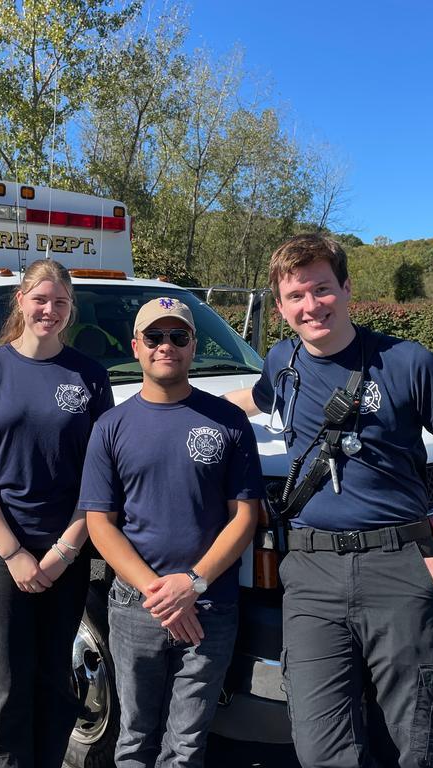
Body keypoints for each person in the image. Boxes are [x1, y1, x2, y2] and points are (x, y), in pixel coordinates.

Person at [224, 234, 433, 768]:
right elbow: (248, 403)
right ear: (279, 308)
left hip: (397, 568)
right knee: (321, 745)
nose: (311, 306)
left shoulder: (409, 363)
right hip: (309, 573)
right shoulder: (281, 361)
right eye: (296, 296)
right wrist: (168, 405)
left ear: (347, 289)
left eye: (322, 289)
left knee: (413, 742)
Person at [79, 297, 261, 768]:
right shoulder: (111, 426)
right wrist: (159, 593)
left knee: (186, 747)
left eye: (178, 337)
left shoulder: (227, 421)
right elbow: (100, 523)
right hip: (136, 605)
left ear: (193, 346)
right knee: (134, 740)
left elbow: (244, 516)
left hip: (210, 604)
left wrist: (192, 583)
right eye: (155, 337)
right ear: (137, 347)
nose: (167, 346)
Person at [0, 259, 114, 768]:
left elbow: (100, 478)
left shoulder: (89, 375)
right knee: (4, 682)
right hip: (2, 551)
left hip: (66, 551)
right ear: (20, 301)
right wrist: (15, 555)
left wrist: (65, 551)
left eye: (60, 302)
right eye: (40, 299)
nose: (50, 309)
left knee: (55, 680)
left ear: (71, 309)